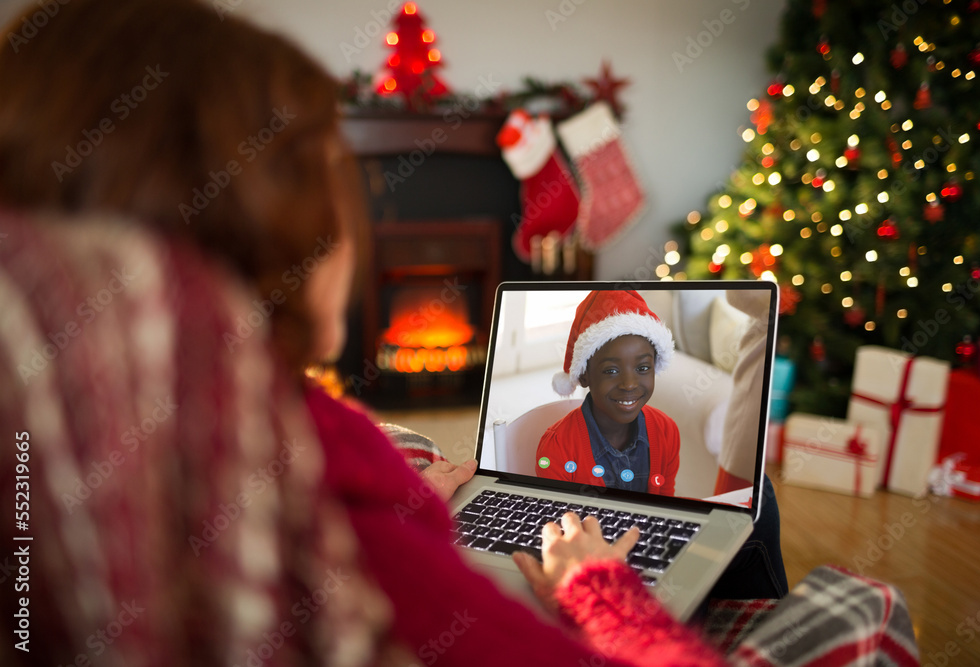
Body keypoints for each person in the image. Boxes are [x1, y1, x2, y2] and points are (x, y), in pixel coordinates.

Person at [0, 1, 731, 665]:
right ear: (269, 221)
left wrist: (410, 484)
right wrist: (600, 587)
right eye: (331, 180)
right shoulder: (318, 492)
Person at [536, 290, 681, 495]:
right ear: (584, 375)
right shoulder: (557, 448)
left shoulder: (666, 431)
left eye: (642, 368)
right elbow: (562, 521)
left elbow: (666, 505)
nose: (629, 384)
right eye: (611, 371)